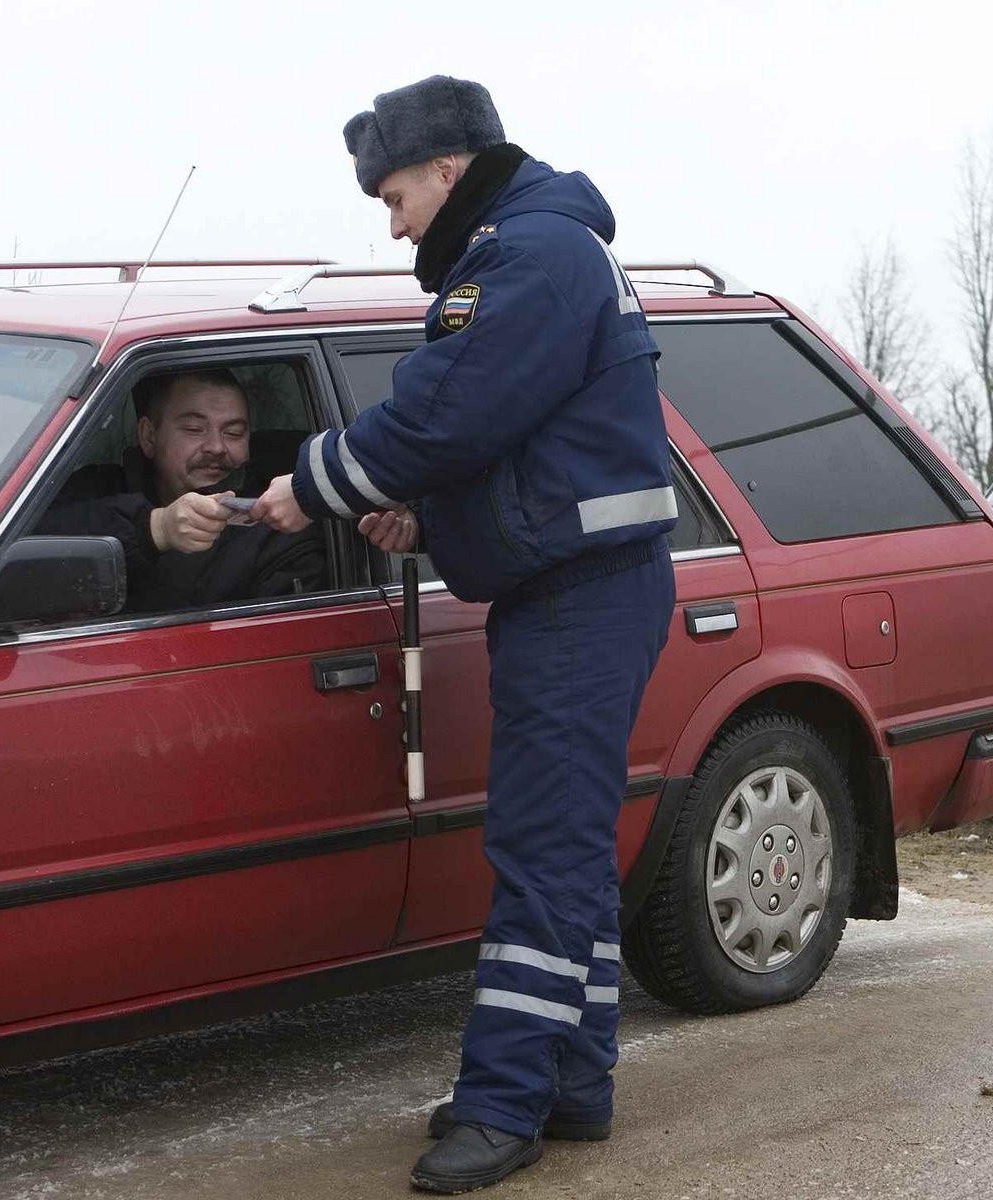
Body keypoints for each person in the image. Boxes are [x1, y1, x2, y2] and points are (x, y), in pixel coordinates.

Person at [251, 76, 677, 1193]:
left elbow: (448, 411)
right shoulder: (536, 247)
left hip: (582, 600)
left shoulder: (530, 256)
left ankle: (501, 1110)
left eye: (394, 196)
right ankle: (569, 1083)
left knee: (539, 856)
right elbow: (526, 444)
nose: (392, 225)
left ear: (448, 169)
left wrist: (315, 485)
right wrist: (429, 512)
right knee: (567, 852)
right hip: (571, 590)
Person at [39, 368, 323, 612]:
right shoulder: (97, 488)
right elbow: (18, 548)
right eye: (194, 429)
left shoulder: (279, 524)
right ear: (149, 437)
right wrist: (153, 530)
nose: (216, 447)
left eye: (233, 432)